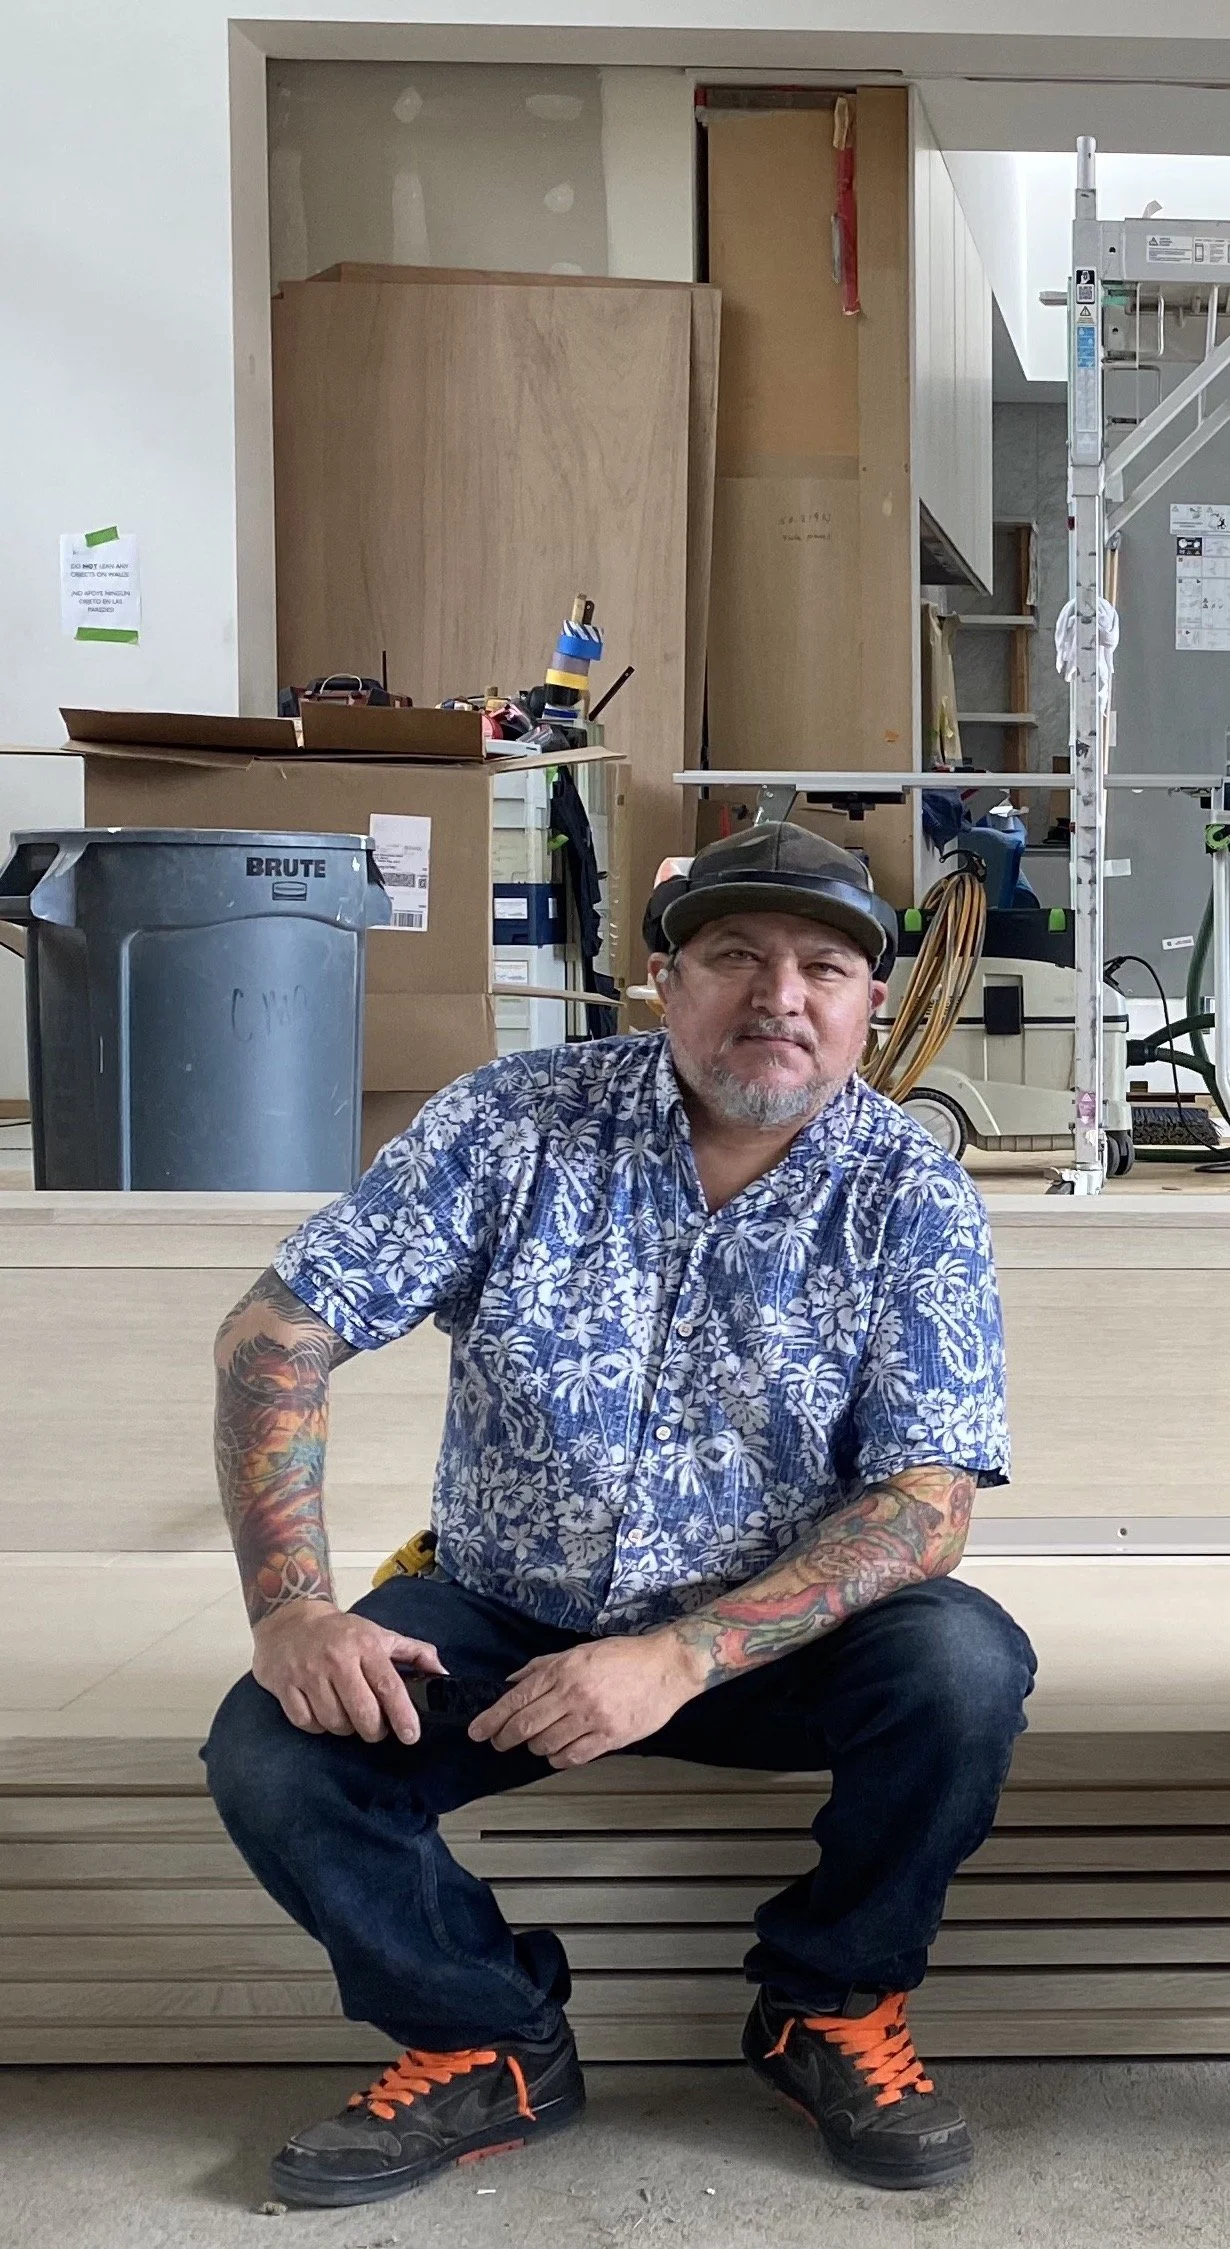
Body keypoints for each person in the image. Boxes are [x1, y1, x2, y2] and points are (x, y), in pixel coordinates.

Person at [204, 820, 1036, 2210]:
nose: (779, 997)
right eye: (733, 957)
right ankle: (486, 2036)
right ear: (665, 979)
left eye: (823, 968)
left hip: (770, 1647)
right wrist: (291, 1608)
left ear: (865, 1006)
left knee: (961, 1667)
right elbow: (275, 1334)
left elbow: (923, 1503)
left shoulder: (910, 1192)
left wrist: (678, 1658)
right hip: (504, 1616)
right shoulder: (508, 1122)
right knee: (269, 1747)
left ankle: (825, 2004)